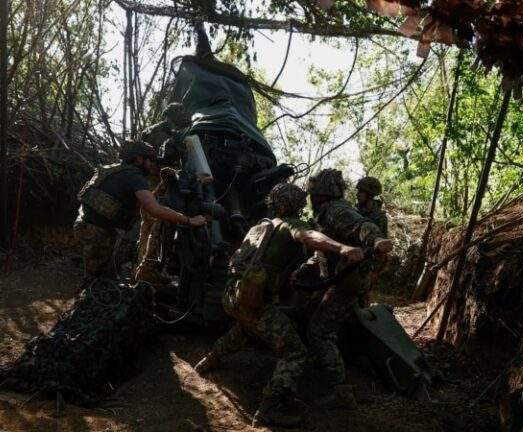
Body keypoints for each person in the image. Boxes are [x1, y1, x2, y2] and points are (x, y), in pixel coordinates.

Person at [194, 183, 364, 428]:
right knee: (294, 353)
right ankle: (270, 408)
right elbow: (308, 236)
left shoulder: (261, 224)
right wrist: (343, 247)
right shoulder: (289, 225)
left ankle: (209, 360)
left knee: (246, 328)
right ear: (293, 205)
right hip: (253, 300)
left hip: (232, 295)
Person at [304, 169, 393, 408]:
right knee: (320, 318)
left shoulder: (337, 210)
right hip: (336, 279)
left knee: (319, 332)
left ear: (321, 194)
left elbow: (363, 226)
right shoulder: (329, 210)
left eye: (314, 193)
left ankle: (341, 391)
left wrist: (375, 241)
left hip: (347, 282)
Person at [72, 141, 207, 279]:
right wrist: (189, 220)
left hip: (85, 226)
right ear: (139, 159)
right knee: (96, 283)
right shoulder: (134, 176)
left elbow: (145, 203)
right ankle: (86, 298)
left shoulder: (116, 170)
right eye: (150, 160)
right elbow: (154, 209)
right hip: (97, 233)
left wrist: (162, 185)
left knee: (105, 277)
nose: (152, 165)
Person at [134, 103, 193, 284]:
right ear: (172, 117)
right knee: (156, 227)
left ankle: (141, 268)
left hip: (149, 183)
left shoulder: (154, 131)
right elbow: (162, 162)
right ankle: (147, 270)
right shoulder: (161, 134)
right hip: (154, 183)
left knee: (147, 227)